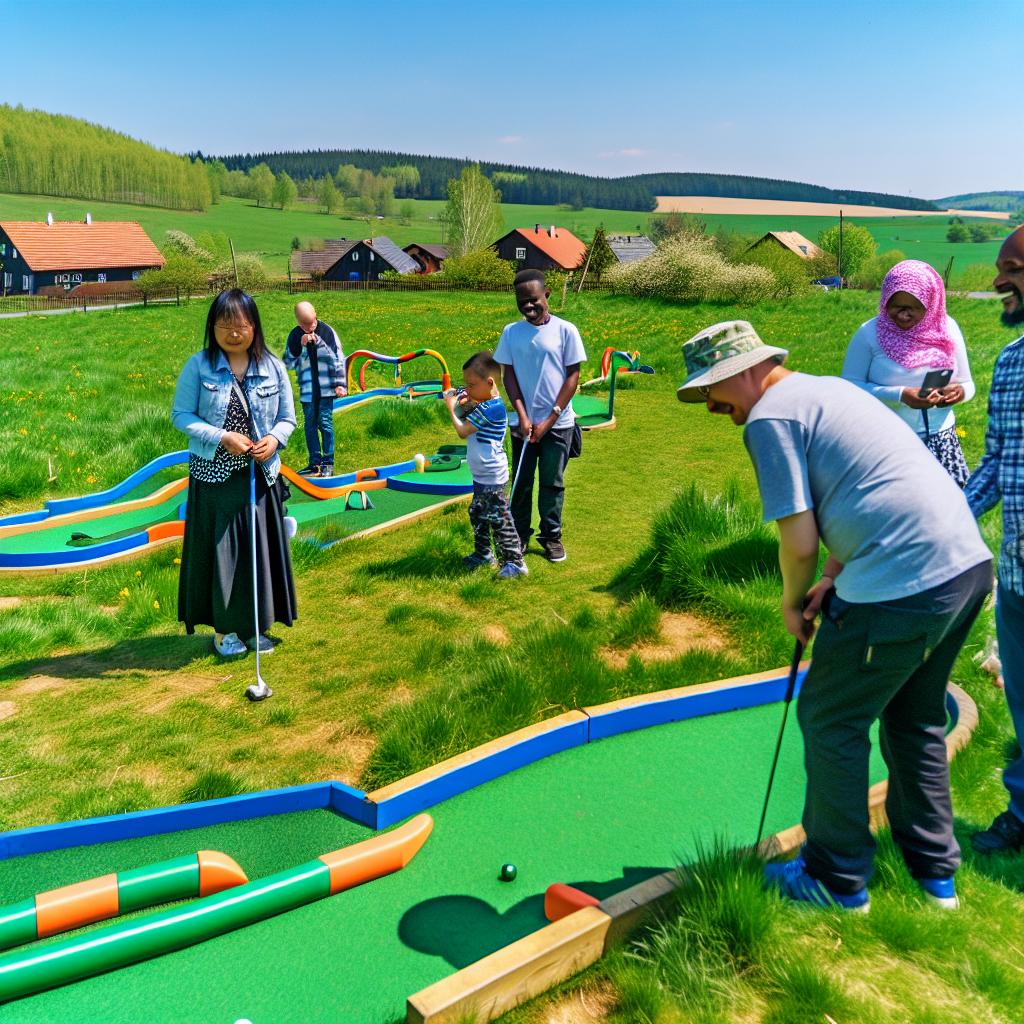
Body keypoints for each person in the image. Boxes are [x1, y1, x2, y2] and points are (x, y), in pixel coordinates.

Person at [677, 320, 992, 911]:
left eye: (713, 393)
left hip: (905, 580)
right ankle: (934, 878)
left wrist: (792, 600)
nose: (714, 409)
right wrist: (831, 576)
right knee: (915, 717)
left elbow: (797, 538)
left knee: (830, 717)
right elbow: (871, 489)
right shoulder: (829, 390)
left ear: (744, 372)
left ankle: (835, 878)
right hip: (965, 566)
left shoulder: (771, 417)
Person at [172, 289, 298, 658]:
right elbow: (181, 416)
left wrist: (274, 439)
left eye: (240, 324)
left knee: (259, 552)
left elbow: (287, 418)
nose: (232, 332)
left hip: (261, 477)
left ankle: (256, 626)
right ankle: (226, 631)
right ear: (212, 327)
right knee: (223, 554)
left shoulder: (273, 366)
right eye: (223, 324)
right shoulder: (198, 366)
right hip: (215, 478)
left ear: (254, 326)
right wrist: (221, 437)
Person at [966, 225, 1024, 854]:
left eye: (1010, 267)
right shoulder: (1011, 362)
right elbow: (997, 466)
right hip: (1017, 576)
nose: (997, 281)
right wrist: (938, 516)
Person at [842, 260, 975, 486]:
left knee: (949, 515)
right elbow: (848, 388)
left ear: (931, 304)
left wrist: (959, 393)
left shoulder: (947, 328)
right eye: (896, 306)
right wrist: (900, 394)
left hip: (942, 443)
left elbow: (967, 383)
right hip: (886, 445)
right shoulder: (869, 334)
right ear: (885, 302)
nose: (904, 315)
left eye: (914, 307)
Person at [494, 269, 586, 563]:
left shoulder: (565, 330)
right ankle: (519, 536)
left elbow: (573, 376)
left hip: (558, 424)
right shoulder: (511, 333)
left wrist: (551, 418)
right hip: (523, 426)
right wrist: (522, 417)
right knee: (521, 483)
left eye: (533, 299)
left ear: (547, 295)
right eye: (522, 302)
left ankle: (551, 537)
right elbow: (509, 377)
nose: (528, 306)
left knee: (552, 482)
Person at [442, 352, 527, 580]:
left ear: (489, 383)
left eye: (472, 385)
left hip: (492, 477)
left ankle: (515, 562)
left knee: (500, 518)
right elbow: (465, 406)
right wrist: (459, 394)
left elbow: (462, 430)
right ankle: (483, 554)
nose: (468, 390)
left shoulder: (493, 409)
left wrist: (450, 405)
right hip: (481, 475)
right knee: (478, 514)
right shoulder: (483, 402)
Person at [283, 300, 345, 478]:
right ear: (298, 322)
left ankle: (328, 462)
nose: (311, 327)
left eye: (313, 322)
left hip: (326, 388)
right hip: (308, 389)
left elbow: (338, 358)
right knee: (310, 426)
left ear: (316, 315)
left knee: (325, 423)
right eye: (306, 325)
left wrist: (340, 383)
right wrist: (300, 345)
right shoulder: (294, 336)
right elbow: (288, 362)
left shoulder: (327, 331)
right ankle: (314, 463)